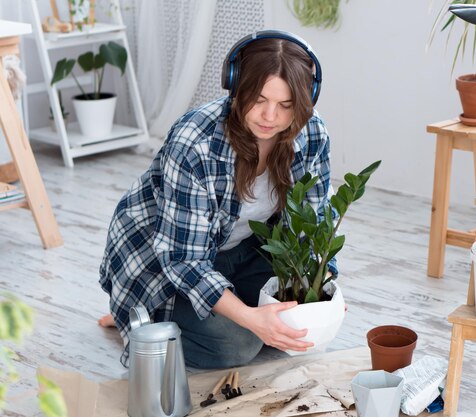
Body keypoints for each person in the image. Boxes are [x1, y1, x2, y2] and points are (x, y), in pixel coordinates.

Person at [98, 30, 337, 369]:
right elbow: (183, 259)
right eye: (258, 100)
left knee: (294, 316)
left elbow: (313, 223)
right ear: (236, 86)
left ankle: (212, 310)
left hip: (244, 249)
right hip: (165, 260)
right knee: (237, 345)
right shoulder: (195, 141)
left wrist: (322, 288)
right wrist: (250, 319)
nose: (271, 117)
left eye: (286, 106)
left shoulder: (312, 132)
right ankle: (138, 316)